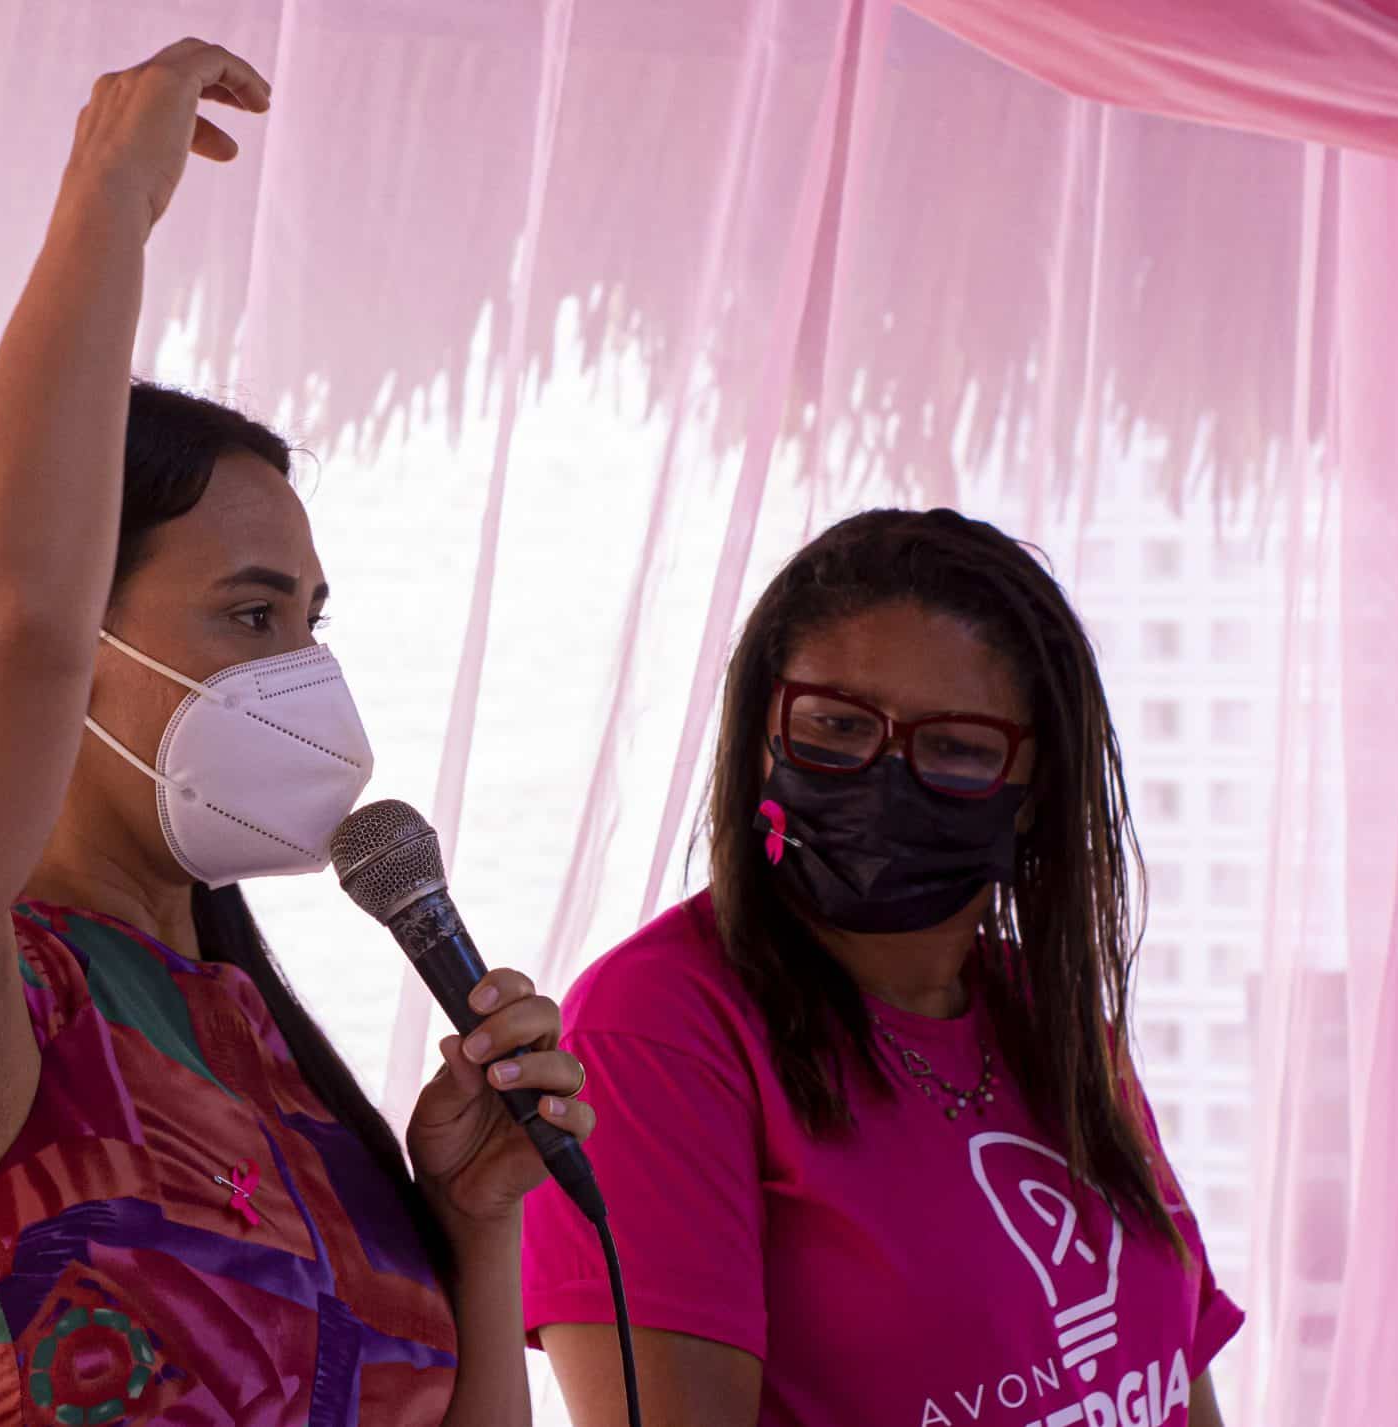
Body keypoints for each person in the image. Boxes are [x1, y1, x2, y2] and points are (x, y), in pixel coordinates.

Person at [0, 38, 593, 1427]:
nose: (301, 674)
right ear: (84, 647)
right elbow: (2, 628)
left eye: (310, 623)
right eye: (248, 615)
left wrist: (471, 1220)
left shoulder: (257, 1039)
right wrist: (106, 197)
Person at [523, 509, 1243, 1427]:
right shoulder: (654, 1027)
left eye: (957, 749)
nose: (885, 776)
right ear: (761, 736)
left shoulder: (1046, 1010)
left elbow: (1175, 1384)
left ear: (1035, 793)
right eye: (835, 727)